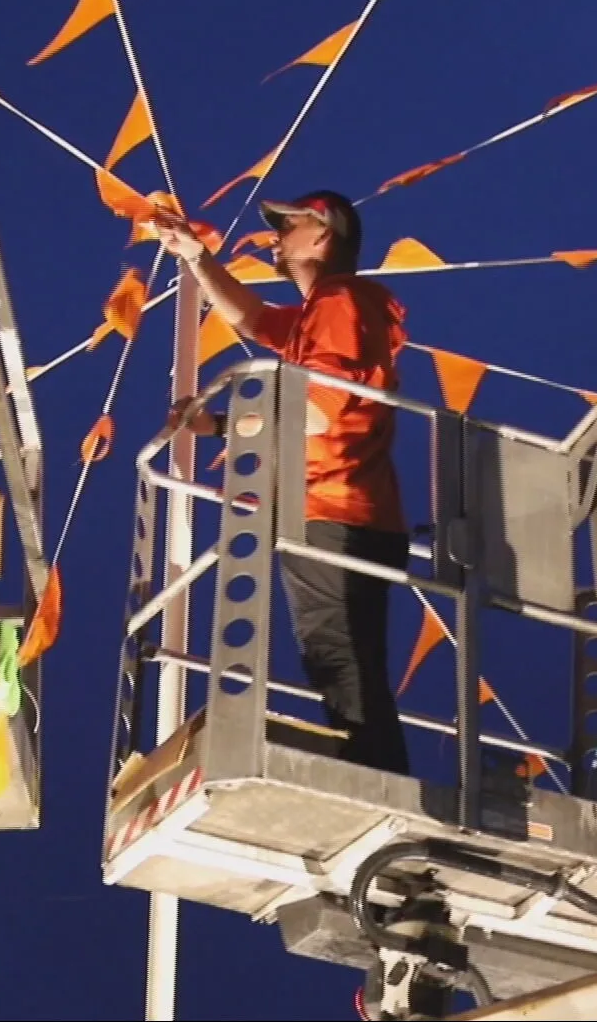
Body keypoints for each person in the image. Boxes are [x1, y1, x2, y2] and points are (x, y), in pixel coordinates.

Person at [152, 193, 413, 775]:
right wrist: (198, 258)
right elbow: (250, 318)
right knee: (343, 661)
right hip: (347, 512)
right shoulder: (325, 311)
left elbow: (316, 413)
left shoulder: (340, 302)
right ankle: (377, 772)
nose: (272, 235)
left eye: (286, 225)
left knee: (341, 661)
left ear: (322, 237)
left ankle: (379, 781)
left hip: (336, 511)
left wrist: (221, 424)